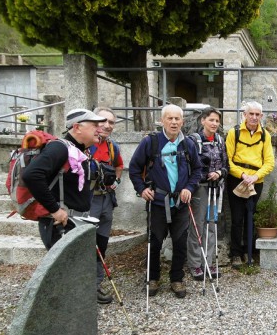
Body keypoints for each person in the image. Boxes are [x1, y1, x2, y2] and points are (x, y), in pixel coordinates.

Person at [128, 104, 202, 298]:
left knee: (180, 243)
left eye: (177, 119)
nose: (174, 122)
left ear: (182, 122)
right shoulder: (150, 142)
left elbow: (197, 170)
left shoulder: (188, 144)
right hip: (158, 202)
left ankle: (176, 279)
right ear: (162, 121)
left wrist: (189, 188)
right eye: (170, 118)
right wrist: (141, 189)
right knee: (155, 242)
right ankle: (153, 278)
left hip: (181, 203)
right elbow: (134, 168)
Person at [23, 108, 106, 256]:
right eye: (94, 125)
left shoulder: (78, 150)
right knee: (66, 275)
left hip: (74, 222)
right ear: (77, 127)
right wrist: (54, 210)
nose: (100, 129)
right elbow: (31, 175)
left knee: (77, 273)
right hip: (60, 224)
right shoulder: (60, 147)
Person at [226, 101, 275, 268]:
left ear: (261, 116)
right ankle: (236, 253)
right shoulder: (235, 132)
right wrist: (242, 175)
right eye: (251, 114)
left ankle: (249, 251)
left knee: (250, 215)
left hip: (256, 181)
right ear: (245, 115)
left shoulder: (265, 135)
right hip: (236, 179)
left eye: (257, 114)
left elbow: (269, 162)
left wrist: (255, 177)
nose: (254, 117)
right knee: (237, 217)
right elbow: (228, 160)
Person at [186, 107, 228, 280]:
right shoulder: (193, 141)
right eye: (211, 120)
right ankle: (195, 264)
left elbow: (226, 166)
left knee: (212, 225)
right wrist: (205, 175)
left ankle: (208, 262)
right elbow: (189, 167)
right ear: (202, 121)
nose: (214, 123)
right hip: (200, 189)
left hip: (215, 189)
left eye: (217, 121)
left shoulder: (220, 140)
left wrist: (219, 173)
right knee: (197, 226)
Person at [87, 107, 124, 304]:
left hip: (106, 199)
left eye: (111, 122)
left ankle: (96, 283)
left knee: (101, 243)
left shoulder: (112, 146)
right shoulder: (83, 145)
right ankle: (86, 285)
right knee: (86, 243)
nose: (107, 126)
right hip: (87, 200)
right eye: (103, 121)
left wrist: (116, 181)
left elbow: (119, 165)